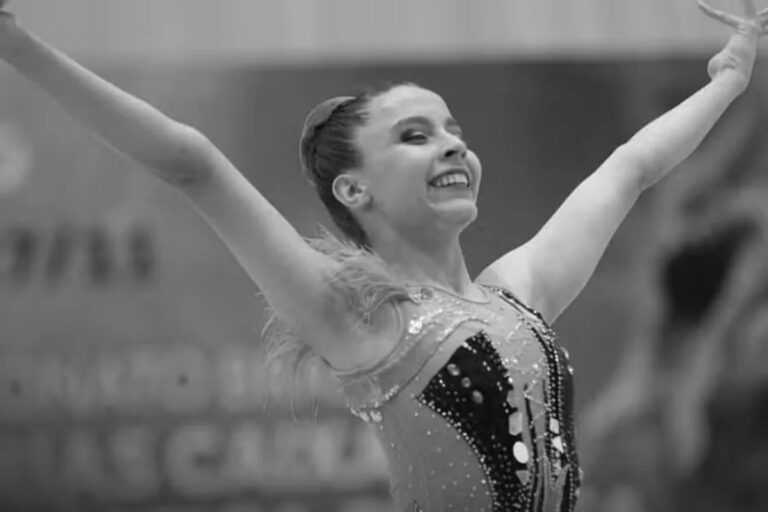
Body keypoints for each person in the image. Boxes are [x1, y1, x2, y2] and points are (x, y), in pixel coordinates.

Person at [0, 0, 765, 510]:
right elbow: (191, 162)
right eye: (415, 136)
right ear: (355, 189)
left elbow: (629, 168)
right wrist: (18, 45)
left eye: (454, 130)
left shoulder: (519, 291)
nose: (452, 145)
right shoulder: (359, 319)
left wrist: (732, 75)